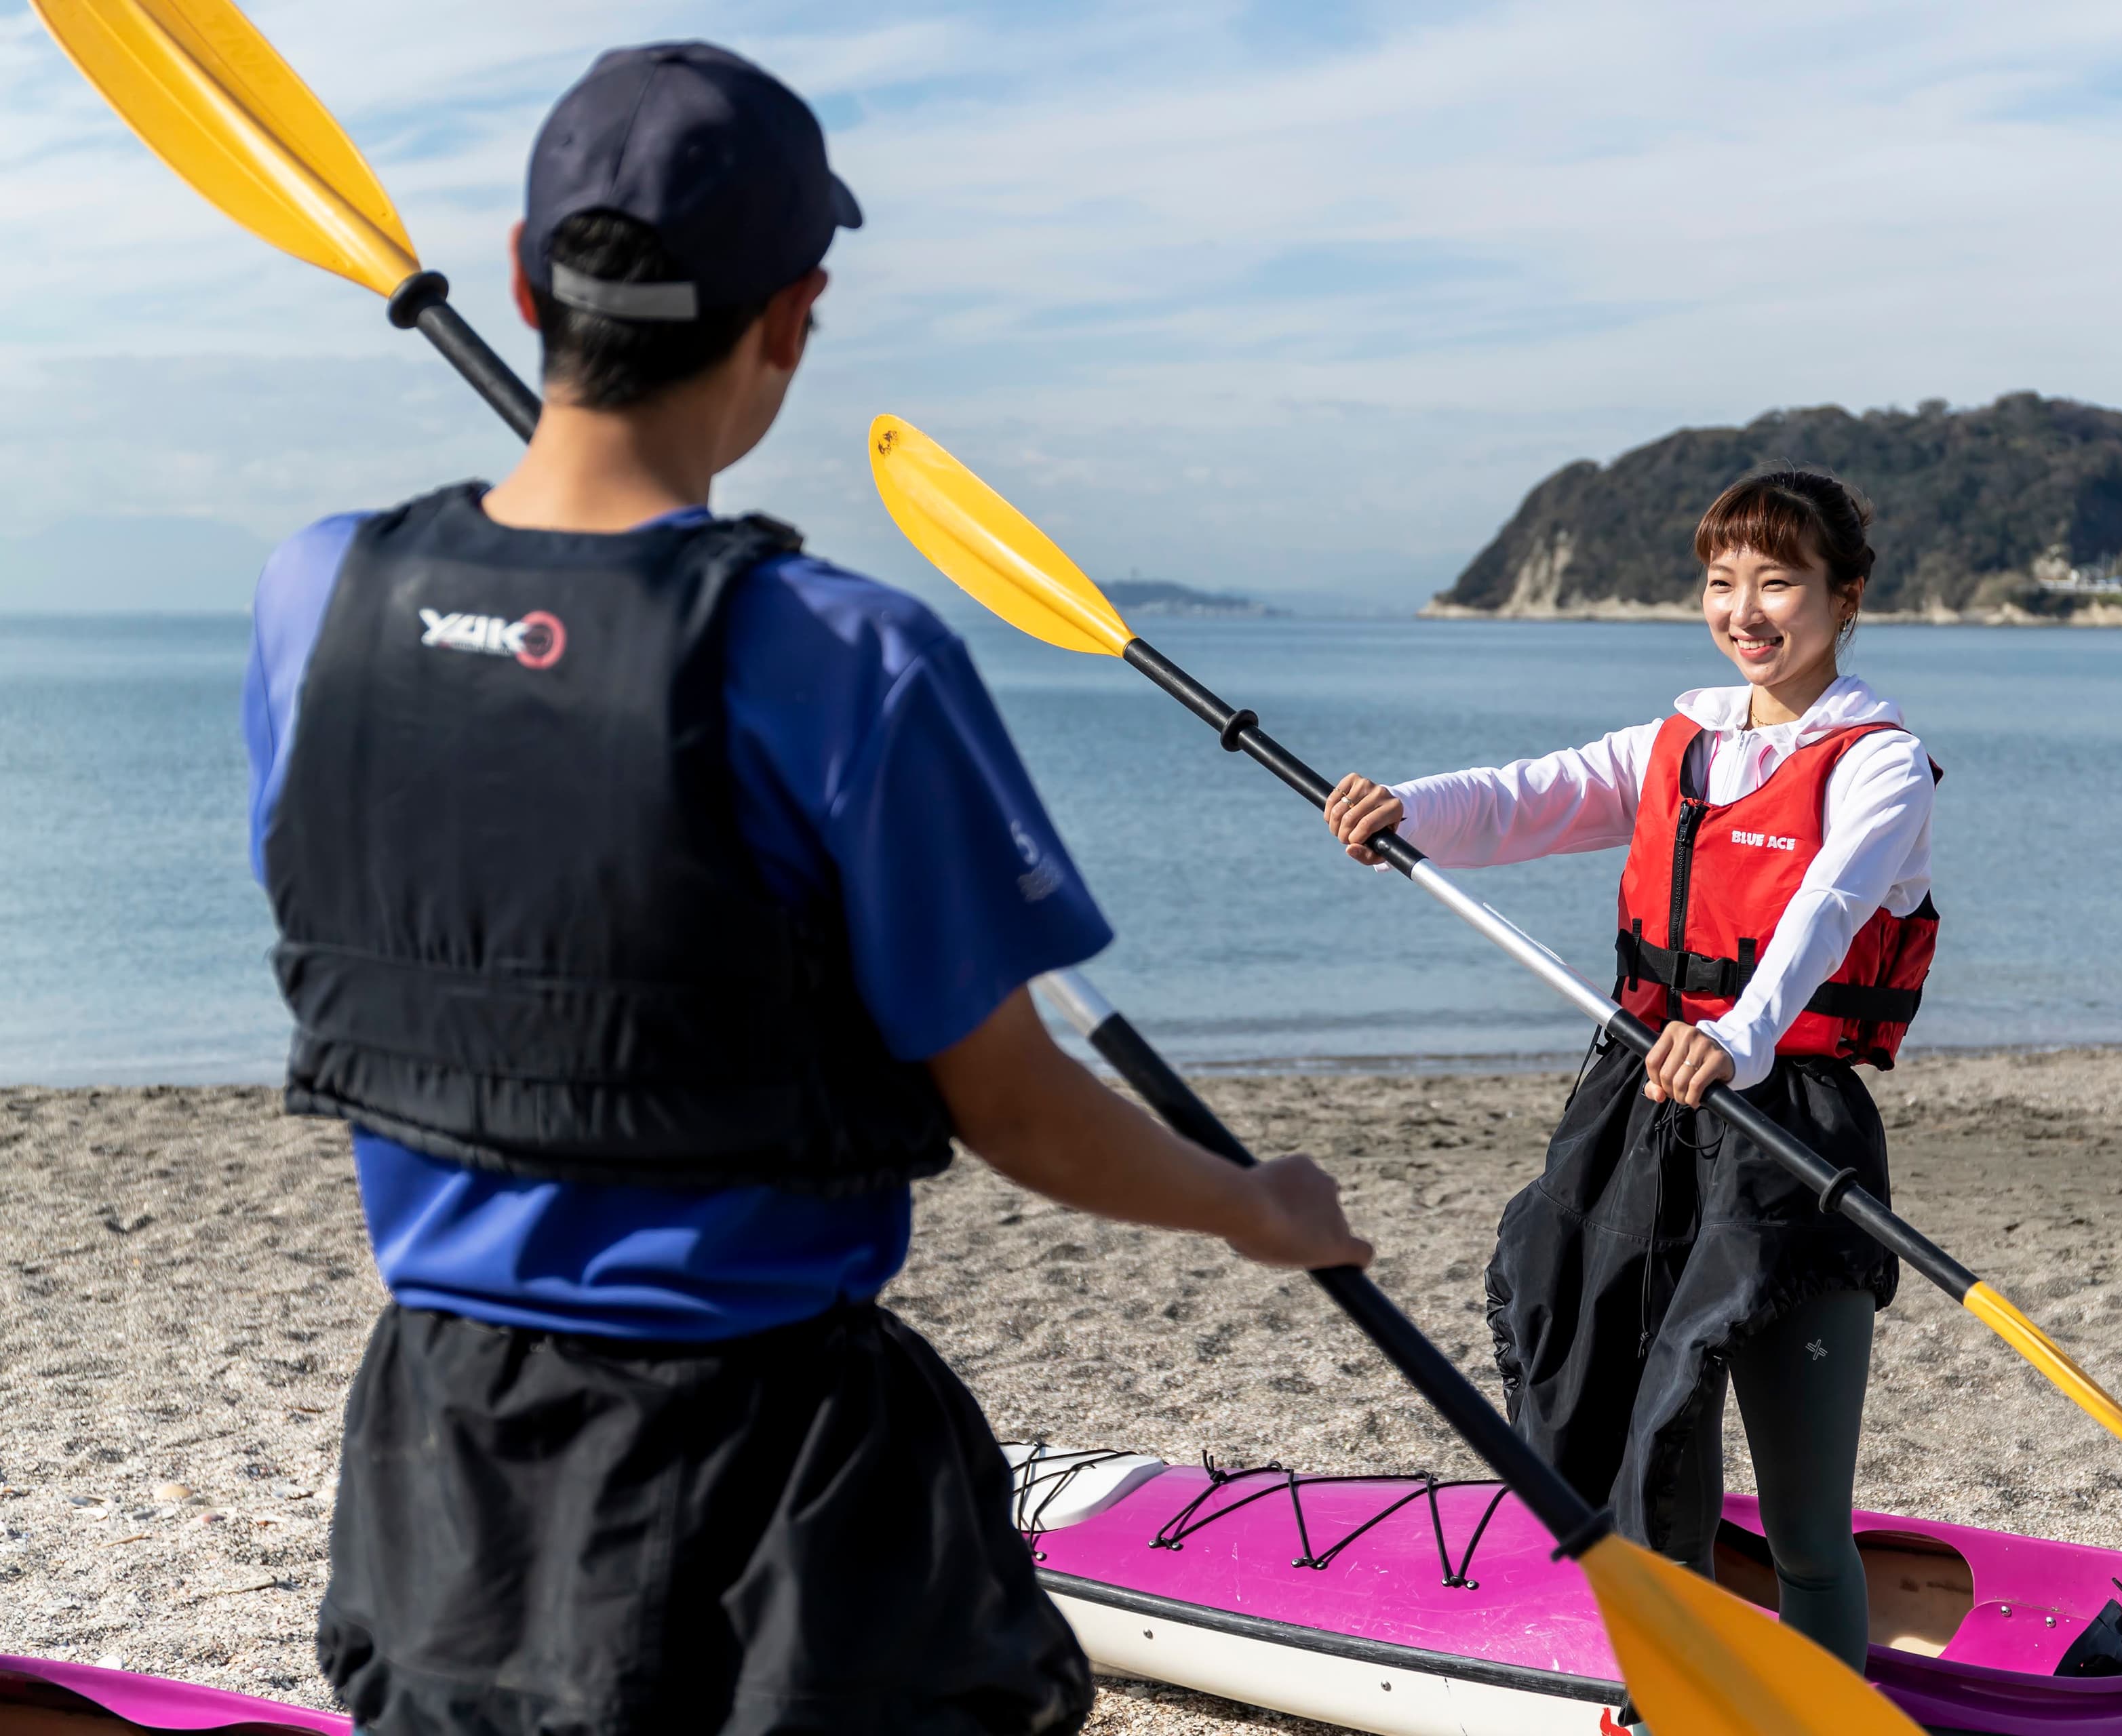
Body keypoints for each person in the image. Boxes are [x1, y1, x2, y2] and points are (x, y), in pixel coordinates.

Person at [241, 43, 1369, 1736]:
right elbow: (1015, 1104)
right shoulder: (847, 652)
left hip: (437, 1450)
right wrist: (1243, 1199)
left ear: (525, 277)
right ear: (794, 318)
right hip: (763, 1467)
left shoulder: (314, 594)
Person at [1321, 470, 1934, 1674]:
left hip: (1786, 1136)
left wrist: (1740, 1037)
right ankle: (1683, 1696)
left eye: (1778, 582)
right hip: (1643, 1114)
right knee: (1656, 1476)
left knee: (1809, 1527)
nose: (1745, 610)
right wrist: (1404, 809)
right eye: (1721, 583)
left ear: (1844, 595)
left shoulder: (1880, 765)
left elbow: (1829, 908)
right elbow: (1520, 801)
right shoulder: (1680, 741)